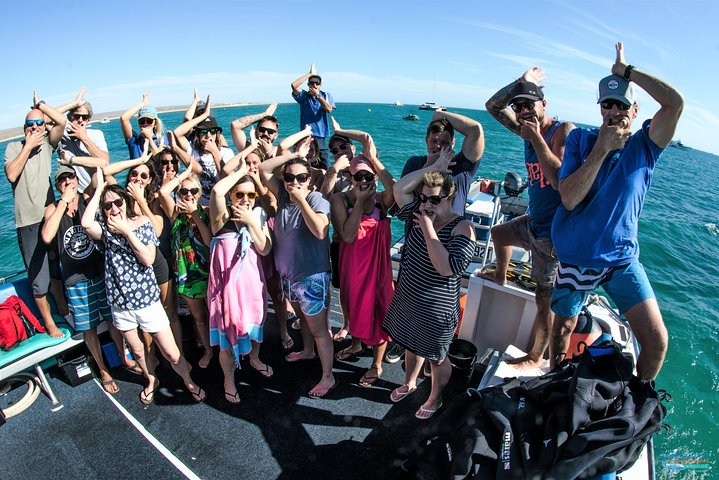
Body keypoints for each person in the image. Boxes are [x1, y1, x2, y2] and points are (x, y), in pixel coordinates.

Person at [549, 42, 683, 380]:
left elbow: (675, 104)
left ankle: (637, 403)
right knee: (561, 332)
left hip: (621, 259)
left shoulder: (646, 146)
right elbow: (568, 198)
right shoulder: (580, 139)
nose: (614, 112)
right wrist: (601, 150)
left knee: (656, 343)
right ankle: (553, 381)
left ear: (635, 111)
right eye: (607, 105)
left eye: (622, 105)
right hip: (576, 256)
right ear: (600, 110)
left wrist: (626, 72)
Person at [81, 170, 205, 404]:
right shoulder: (105, 229)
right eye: (108, 206)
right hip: (120, 304)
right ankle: (151, 379)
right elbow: (86, 223)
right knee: (138, 351)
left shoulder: (141, 223)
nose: (113, 209)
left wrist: (127, 231)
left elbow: (148, 258)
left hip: (147, 302)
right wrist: (98, 191)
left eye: (117, 202)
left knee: (170, 352)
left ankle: (188, 381)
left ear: (125, 203)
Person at [483, 68, 576, 369]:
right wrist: (521, 82)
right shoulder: (526, 130)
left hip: (553, 237)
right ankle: (500, 275)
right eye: (518, 106)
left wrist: (536, 136)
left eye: (530, 104)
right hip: (533, 222)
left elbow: (559, 178)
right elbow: (492, 107)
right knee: (499, 234)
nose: (523, 111)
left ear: (544, 104)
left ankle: (536, 356)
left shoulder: (562, 131)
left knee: (543, 300)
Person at [385, 110, 485, 363]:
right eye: (434, 142)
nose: (439, 146)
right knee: (410, 301)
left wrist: (439, 114)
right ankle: (405, 343)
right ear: (426, 141)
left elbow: (475, 130)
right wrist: (434, 165)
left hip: (447, 241)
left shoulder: (462, 165)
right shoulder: (415, 163)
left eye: (444, 143)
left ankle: (434, 356)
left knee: (437, 304)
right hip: (417, 241)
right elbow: (401, 191)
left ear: (452, 143)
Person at [383, 165, 476, 419]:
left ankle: (434, 398)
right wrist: (435, 167)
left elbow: (446, 268)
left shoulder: (463, 228)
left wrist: (427, 227)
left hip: (437, 311)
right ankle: (409, 382)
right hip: (408, 300)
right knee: (410, 345)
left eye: (434, 199)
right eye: (423, 198)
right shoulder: (418, 212)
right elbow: (400, 188)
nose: (426, 204)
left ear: (450, 197)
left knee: (436, 358)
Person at [258, 141, 336, 398]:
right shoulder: (282, 194)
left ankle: (328, 376)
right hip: (289, 277)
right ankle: (308, 351)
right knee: (302, 319)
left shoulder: (316, 198)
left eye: (301, 177)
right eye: (290, 177)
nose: (294, 182)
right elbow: (263, 168)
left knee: (320, 329)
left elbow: (320, 229)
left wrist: (301, 199)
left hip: (311, 278)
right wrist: (294, 155)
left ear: (309, 179)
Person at [41, 166, 119, 393]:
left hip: (101, 273)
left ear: (76, 178)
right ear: (57, 186)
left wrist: (76, 156)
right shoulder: (53, 208)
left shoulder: (86, 198)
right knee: (89, 329)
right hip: (75, 281)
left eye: (70, 177)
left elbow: (100, 169)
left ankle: (124, 358)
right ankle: (103, 370)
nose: (67, 182)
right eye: (62, 180)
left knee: (114, 320)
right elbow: (47, 236)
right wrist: (64, 202)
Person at [208, 148, 273, 404]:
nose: (246, 199)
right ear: (232, 194)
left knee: (256, 329)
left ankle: (254, 358)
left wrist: (251, 221)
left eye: (250, 195)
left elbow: (265, 248)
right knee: (226, 341)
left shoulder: (257, 216)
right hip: (225, 293)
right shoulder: (220, 220)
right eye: (240, 194)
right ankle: (228, 379)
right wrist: (242, 171)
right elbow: (215, 192)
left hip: (251, 289)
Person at [4, 95, 69, 338]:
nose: (34, 127)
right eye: (30, 124)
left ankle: (63, 308)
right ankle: (49, 323)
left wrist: (39, 106)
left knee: (55, 269)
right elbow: (11, 175)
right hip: (27, 222)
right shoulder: (14, 148)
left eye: (39, 124)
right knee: (39, 278)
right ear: (24, 128)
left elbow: (61, 121)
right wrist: (28, 146)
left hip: (49, 217)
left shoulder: (48, 146)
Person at [330, 149, 395, 387]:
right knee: (352, 305)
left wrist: (376, 163)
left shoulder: (381, 200)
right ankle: (356, 343)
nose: (365, 181)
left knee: (378, 310)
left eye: (370, 177)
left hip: (377, 269)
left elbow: (395, 190)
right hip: (352, 266)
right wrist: (358, 202)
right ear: (351, 177)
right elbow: (346, 236)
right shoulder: (340, 200)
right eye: (359, 177)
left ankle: (376, 364)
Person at [158, 166, 214, 369]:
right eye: (184, 191)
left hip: (209, 274)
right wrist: (183, 175)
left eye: (193, 191)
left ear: (200, 193)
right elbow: (163, 192)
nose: (189, 195)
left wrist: (195, 215)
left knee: (215, 316)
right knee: (199, 319)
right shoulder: (175, 215)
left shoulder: (207, 213)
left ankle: (223, 349)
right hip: (187, 277)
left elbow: (209, 242)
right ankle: (208, 350)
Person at [173, 97, 235, 206]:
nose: (208, 135)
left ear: (217, 134)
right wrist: (204, 115)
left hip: (220, 206)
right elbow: (177, 133)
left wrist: (215, 153)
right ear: (198, 134)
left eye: (212, 131)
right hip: (199, 205)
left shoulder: (227, 152)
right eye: (204, 132)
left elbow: (227, 181)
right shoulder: (192, 149)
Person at [57, 87, 110, 193]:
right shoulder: (62, 135)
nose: (80, 120)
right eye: (76, 116)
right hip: (77, 194)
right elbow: (45, 118)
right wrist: (73, 104)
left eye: (84, 117)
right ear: (70, 117)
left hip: (98, 190)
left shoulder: (96, 134)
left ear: (88, 119)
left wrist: (84, 138)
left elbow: (105, 162)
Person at [291, 63, 335, 170]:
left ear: (321, 84)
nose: (315, 85)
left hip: (321, 136)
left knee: (325, 165)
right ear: (308, 84)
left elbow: (329, 109)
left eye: (317, 83)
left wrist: (318, 96)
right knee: (306, 164)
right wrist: (309, 74)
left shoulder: (326, 95)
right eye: (312, 83)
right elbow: (294, 85)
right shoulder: (304, 97)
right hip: (307, 135)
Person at [120, 92, 166, 159]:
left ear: (155, 123)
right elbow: (124, 118)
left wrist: (149, 139)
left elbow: (159, 159)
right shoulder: (134, 140)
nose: (145, 124)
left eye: (149, 121)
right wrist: (143, 103)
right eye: (142, 121)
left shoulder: (162, 140)